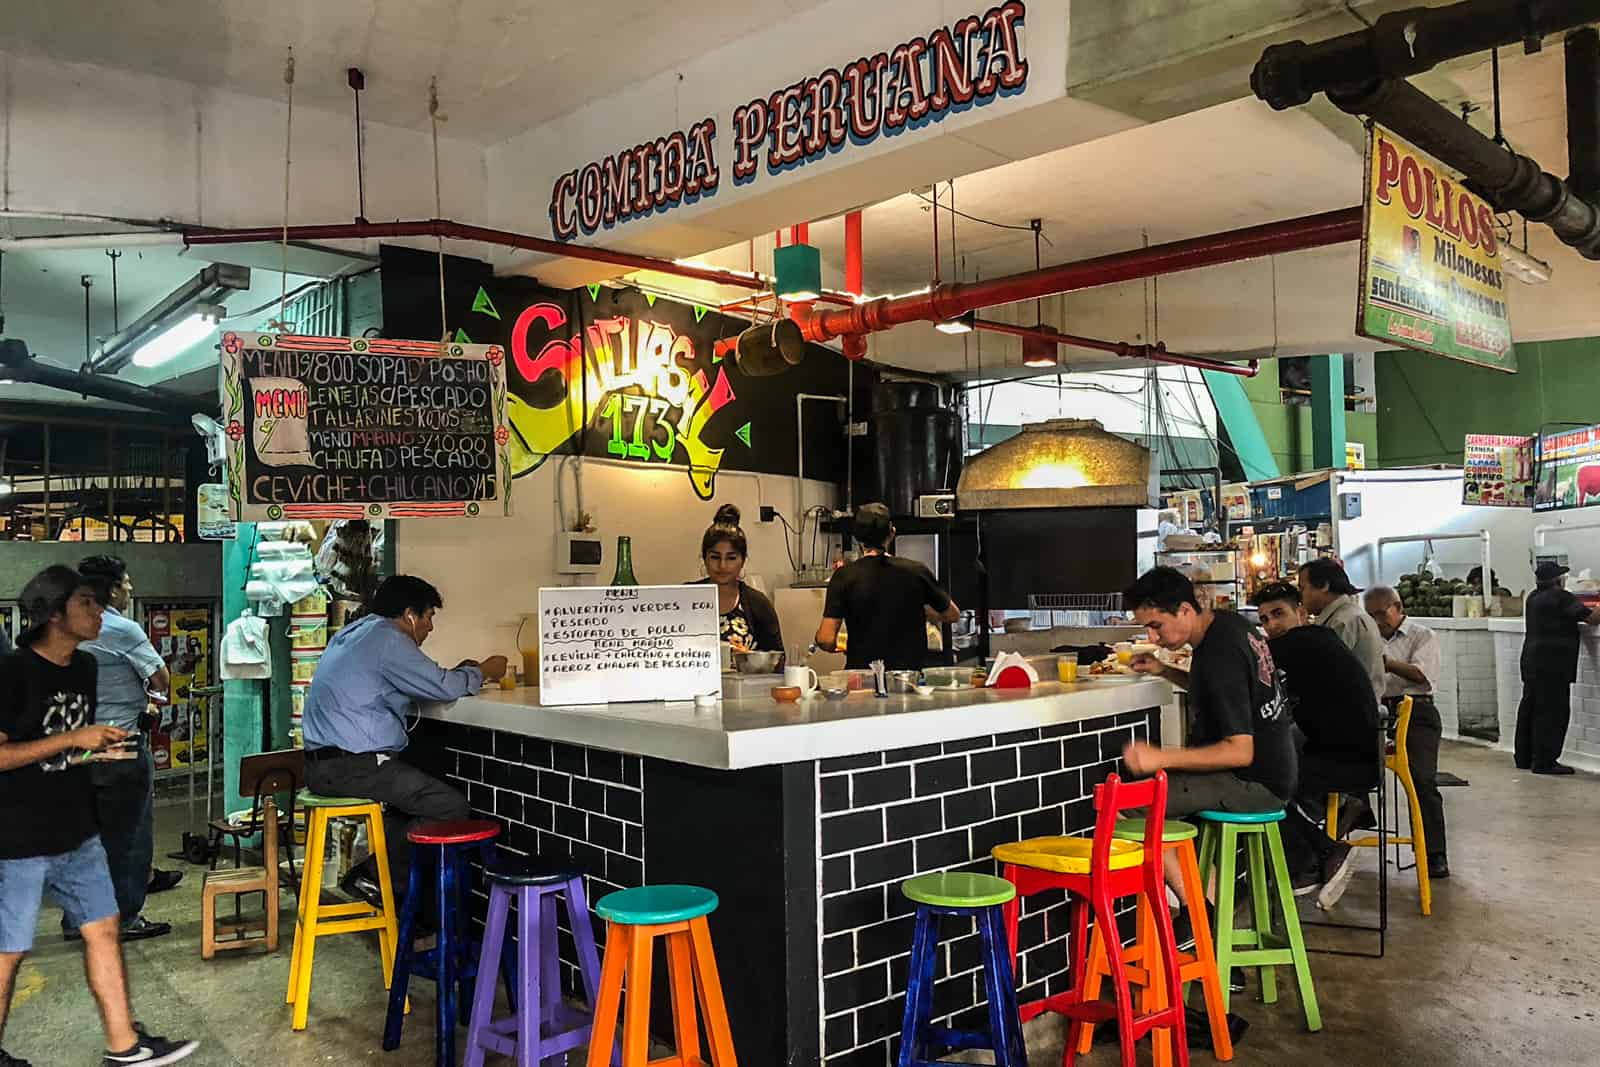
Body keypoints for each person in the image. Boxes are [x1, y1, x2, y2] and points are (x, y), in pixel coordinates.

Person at [0, 566, 197, 1067]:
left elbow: (58, 754)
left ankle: (124, 1045)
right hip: (17, 838)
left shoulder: (84, 668)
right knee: (7, 954)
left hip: (77, 830)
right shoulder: (13, 673)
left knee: (104, 929)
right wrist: (73, 740)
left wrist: (93, 754)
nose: (100, 612)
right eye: (88, 603)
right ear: (53, 613)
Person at [302, 575, 507, 907]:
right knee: (449, 806)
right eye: (429, 617)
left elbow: (426, 682)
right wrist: (484, 670)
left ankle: (401, 895)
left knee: (405, 810)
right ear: (410, 615)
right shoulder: (388, 639)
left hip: (323, 765)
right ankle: (373, 878)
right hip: (352, 765)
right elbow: (444, 688)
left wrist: (456, 674)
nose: (430, 628)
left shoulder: (356, 633)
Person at [1122, 567, 1296, 906]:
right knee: (1157, 796)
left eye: (1155, 625)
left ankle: (1200, 912)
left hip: (1253, 780)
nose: (1152, 637)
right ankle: (1208, 901)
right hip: (1275, 771)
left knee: (1132, 803)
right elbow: (1220, 693)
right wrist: (1165, 670)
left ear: (1185, 610)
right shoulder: (1228, 627)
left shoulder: (1219, 654)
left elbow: (1239, 752)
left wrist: (1161, 757)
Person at [1253, 582, 1381, 909]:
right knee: (1272, 767)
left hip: (1345, 760)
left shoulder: (1301, 642)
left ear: (1301, 613)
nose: (1272, 625)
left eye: (1278, 614)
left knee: (1261, 781)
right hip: (1353, 751)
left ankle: (1317, 855)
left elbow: (1241, 665)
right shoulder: (1317, 639)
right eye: (1264, 619)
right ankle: (1312, 856)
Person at [74, 556, 177, 944]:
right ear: (113, 589)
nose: (131, 588)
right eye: (127, 582)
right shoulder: (120, 628)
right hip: (119, 746)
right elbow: (160, 678)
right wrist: (152, 700)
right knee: (128, 839)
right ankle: (124, 920)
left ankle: (76, 920)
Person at [1365, 586, 1450, 879]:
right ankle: (1345, 830)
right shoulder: (1369, 637)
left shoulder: (1423, 635)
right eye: (1371, 615)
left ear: (1397, 607)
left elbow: (1421, 674)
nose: (1377, 621)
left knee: (1421, 780)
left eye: (1382, 613)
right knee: (1345, 762)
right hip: (1378, 708)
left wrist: (1384, 662)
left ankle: (1433, 852)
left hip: (1416, 710)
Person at [815, 503, 959, 670]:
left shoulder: (844, 576)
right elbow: (952, 614)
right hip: (906, 679)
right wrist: (923, 611)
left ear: (857, 538)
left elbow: (826, 640)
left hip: (862, 679)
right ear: (892, 533)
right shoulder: (916, 571)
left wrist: (822, 640)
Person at [1515, 562, 1600, 775]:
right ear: (1557, 580)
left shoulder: (1532, 597)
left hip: (1531, 661)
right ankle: (1545, 762)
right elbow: (1592, 619)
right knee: (1552, 713)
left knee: (1530, 709)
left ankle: (1524, 758)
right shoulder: (1561, 597)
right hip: (1553, 665)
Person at [692, 504, 783, 652]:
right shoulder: (685, 597)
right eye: (715, 557)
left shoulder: (758, 604)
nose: (722, 566)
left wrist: (747, 656)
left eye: (731, 558)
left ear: (742, 560)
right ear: (705, 558)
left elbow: (778, 661)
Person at [1298, 559, 1386, 699]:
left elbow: (1325, 674)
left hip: (1351, 712)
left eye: (1302, 588)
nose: (1300, 596)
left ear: (1324, 586)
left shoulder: (1343, 621)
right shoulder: (1345, 616)